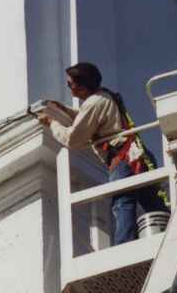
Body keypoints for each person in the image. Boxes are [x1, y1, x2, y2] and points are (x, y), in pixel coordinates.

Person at [37, 61, 168, 246]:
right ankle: (167, 234)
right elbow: (90, 118)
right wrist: (64, 109)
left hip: (124, 160)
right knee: (153, 205)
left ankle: (125, 245)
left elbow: (73, 139)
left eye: (70, 84)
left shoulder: (94, 103)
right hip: (138, 157)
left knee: (122, 202)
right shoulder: (104, 96)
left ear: (82, 87)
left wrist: (52, 122)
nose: (69, 88)